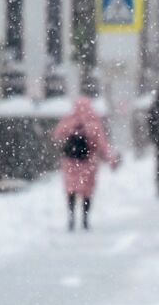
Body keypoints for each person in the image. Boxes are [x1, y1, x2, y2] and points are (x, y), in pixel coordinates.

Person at [51, 97, 119, 231]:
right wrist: (111, 159)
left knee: (71, 190)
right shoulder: (93, 122)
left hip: (70, 163)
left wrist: (71, 133)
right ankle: (85, 219)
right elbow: (102, 144)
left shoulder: (68, 120)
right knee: (87, 192)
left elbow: (57, 135)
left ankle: (71, 217)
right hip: (88, 163)